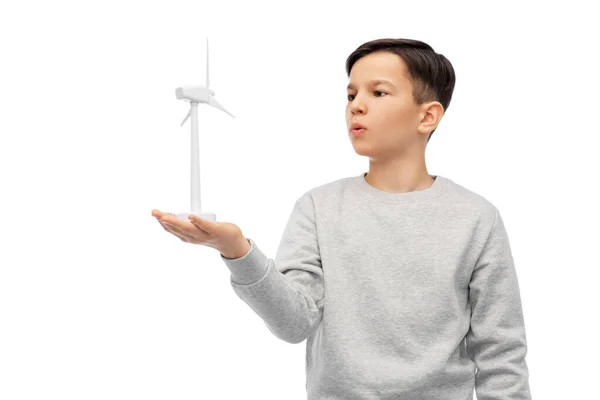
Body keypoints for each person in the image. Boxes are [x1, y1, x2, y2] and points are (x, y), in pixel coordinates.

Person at [151, 38, 532, 399]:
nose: (356, 105)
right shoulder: (318, 207)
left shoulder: (476, 218)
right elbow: (293, 324)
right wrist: (237, 251)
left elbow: (501, 352)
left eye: (378, 92)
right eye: (351, 94)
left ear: (427, 115)